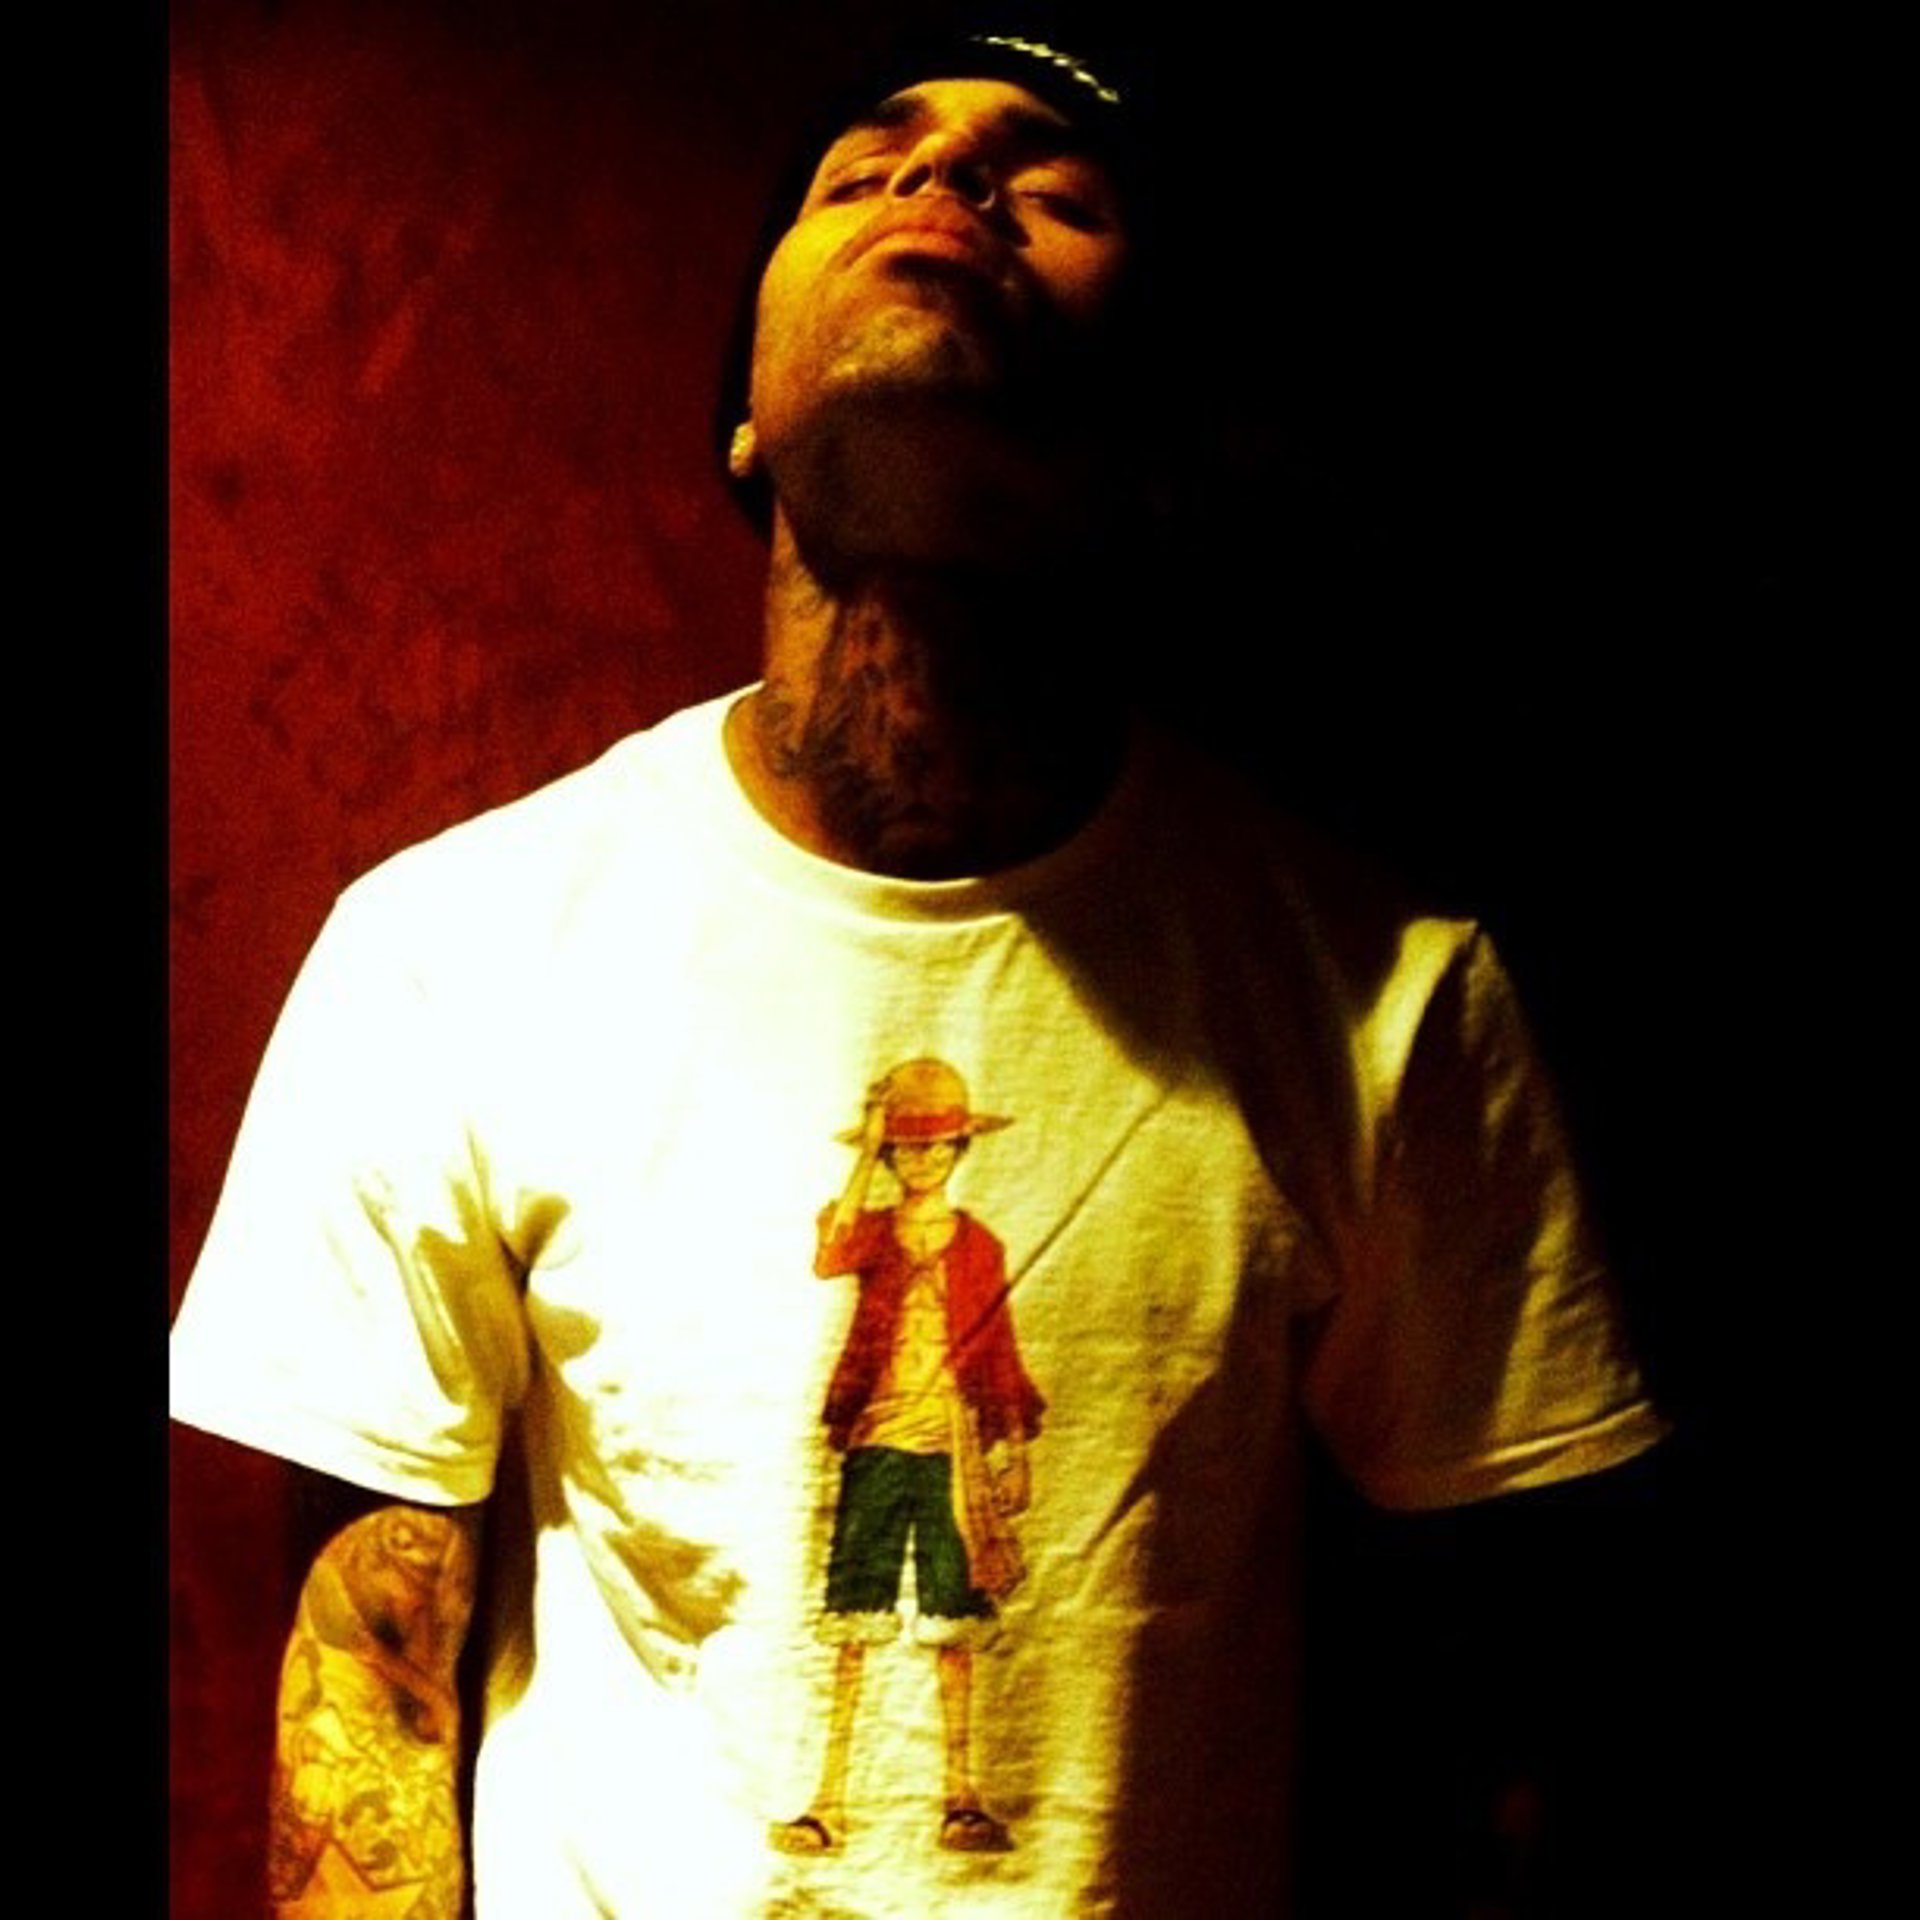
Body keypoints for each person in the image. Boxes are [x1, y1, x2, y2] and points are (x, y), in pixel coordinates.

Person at [170, 21, 1669, 1917]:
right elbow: (371, 1687)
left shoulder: (1394, 1000)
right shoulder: (447, 954)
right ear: (745, 415)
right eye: (864, 173)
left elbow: (1499, 1712)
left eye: (1052, 193)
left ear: (1154, 438)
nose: (944, 182)